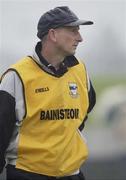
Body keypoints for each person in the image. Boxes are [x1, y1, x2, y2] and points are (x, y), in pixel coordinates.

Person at [0, 6, 96, 180]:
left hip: (72, 174)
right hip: (27, 174)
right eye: (73, 31)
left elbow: (83, 113)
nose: (80, 38)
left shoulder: (80, 70)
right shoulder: (17, 76)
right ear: (52, 35)